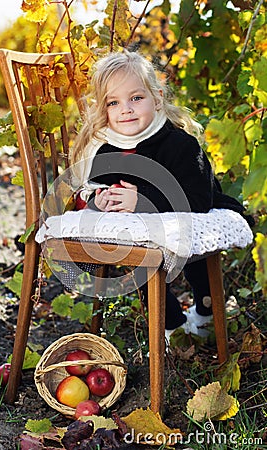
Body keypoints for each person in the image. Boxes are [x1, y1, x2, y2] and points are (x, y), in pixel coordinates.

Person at [69, 50, 250, 342]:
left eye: (136, 98)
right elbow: (94, 188)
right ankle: (172, 325)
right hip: (145, 232)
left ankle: (206, 311)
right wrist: (99, 199)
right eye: (113, 102)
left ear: (157, 97)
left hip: (191, 213)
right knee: (140, 255)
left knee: (194, 257)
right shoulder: (109, 149)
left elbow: (198, 200)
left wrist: (142, 200)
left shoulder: (180, 144)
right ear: (104, 109)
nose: (125, 109)